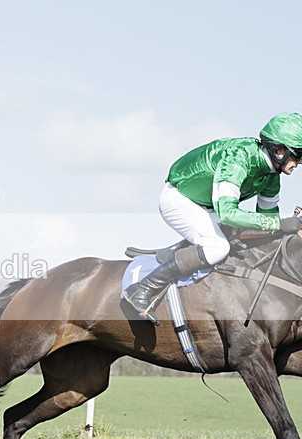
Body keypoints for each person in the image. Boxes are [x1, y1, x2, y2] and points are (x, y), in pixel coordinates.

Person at [123, 112, 302, 324]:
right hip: (179, 199)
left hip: (207, 206)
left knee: (243, 240)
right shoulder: (238, 159)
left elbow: (268, 225)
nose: (298, 163)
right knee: (218, 248)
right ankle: (142, 288)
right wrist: (279, 223)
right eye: (297, 155)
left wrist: (288, 228)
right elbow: (228, 212)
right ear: (279, 150)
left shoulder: (272, 177)